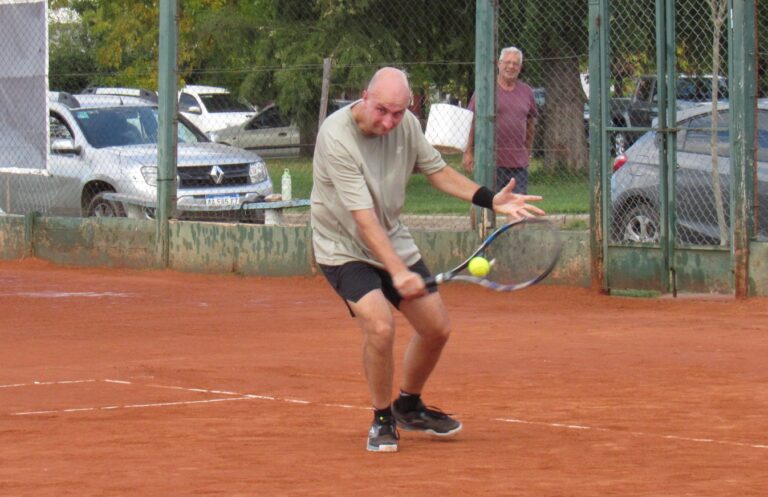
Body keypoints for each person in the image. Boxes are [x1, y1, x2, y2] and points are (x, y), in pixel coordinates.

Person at [311, 67, 544, 453]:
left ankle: (409, 405)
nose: (389, 122)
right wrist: (397, 273)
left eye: (398, 113)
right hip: (344, 247)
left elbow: (437, 171)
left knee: (436, 328)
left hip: (392, 238)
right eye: (383, 110)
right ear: (365, 96)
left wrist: (490, 199)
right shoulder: (336, 136)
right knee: (380, 325)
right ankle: (382, 418)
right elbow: (363, 218)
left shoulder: (406, 126)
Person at [463, 46, 538, 194]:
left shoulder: (527, 92)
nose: (511, 66)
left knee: (518, 208)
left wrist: (527, 151)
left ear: (520, 67)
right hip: (490, 163)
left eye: (515, 63)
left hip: (518, 165)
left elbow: (531, 124)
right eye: (507, 62)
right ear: (498, 64)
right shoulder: (485, 91)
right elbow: (471, 122)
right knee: (485, 207)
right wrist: (468, 152)